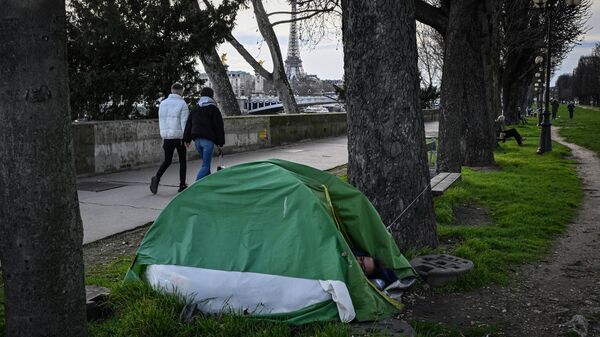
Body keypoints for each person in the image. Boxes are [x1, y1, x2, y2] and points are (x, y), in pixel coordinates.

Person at [150, 82, 189, 194]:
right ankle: (182, 184)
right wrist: (186, 138)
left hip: (167, 136)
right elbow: (184, 123)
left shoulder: (163, 103)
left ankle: (157, 177)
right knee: (182, 161)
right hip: (179, 137)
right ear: (181, 91)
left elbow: (162, 120)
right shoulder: (182, 104)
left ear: (172, 90)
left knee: (167, 160)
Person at [183, 87, 225, 181]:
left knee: (205, 164)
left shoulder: (195, 108)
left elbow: (189, 123)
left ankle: (207, 184)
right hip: (208, 141)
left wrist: (186, 139)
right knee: (205, 165)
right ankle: (195, 187)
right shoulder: (213, 108)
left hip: (197, 140)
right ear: (212, 95)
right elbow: (218, 127)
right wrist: (220, 143)